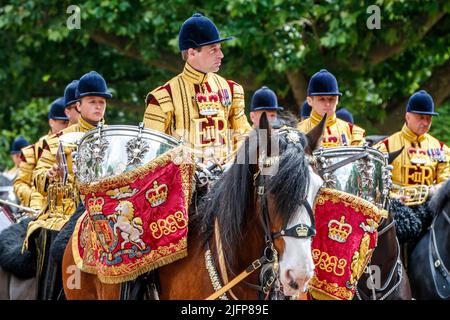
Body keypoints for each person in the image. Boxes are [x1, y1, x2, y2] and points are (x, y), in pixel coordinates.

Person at [26, 71, 112, 300]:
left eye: (101, 102)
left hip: (105, 212)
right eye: (92, 101)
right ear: (78, 106)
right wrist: (52, 174)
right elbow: (37, 177)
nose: (98, 106)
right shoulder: (58, 139)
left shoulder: (114, 137)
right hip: (63, 215)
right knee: (53, 235)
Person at [143, 13, 251, 164]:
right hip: (182, 185)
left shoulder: (232, 90)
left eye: (220, 48)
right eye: (213, 49)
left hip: (227, 182)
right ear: (192, 52)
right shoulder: (163, 97)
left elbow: (244, 136)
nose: (221, 55)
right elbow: (150, 154)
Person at [375, 90, 450, 201]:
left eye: (429, 118)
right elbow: (374, 187)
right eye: (420, 117)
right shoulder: (386, 147)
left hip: (429, 209)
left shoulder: (441, 149)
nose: (425, 123)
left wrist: (435, 190)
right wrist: (395, 197)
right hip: (394, 210)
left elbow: (446, 183)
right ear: (407, 116)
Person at [13, 98, 69, 210]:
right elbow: (19, 183)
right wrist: (34, 200)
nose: (67, 126)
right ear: (51, 122)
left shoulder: (75, 144)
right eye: (63, 123)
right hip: (38, 211)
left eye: (69, 122)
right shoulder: (34, 150)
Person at [297, 69, 365, 148]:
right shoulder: (297, 131)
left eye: (332, 99)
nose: (327, 104)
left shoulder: (353, 132)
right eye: (322, 99)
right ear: (310, 101)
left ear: (337, 100)